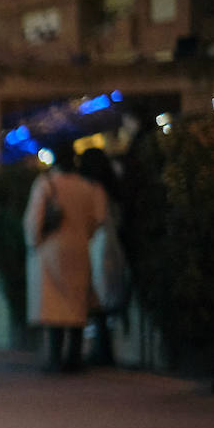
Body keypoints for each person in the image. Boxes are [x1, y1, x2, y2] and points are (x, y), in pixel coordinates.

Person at [23, 140, 107, 373]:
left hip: (51, 249)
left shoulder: (46, 184)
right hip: (79, 248)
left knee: (54, 306)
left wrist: (34, 242)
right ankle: (74, 358)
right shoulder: (86, 187)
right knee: (77, 304)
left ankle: (55, 358)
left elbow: (33, 221)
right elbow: (97, 219)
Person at [77, 147, 129, 366]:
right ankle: (104, 349)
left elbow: (96, 219)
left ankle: (102, 350)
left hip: (98, 244)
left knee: (97, 298)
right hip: (113, 245)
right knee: (105, 300)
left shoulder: (93, 187)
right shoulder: (113, 186)